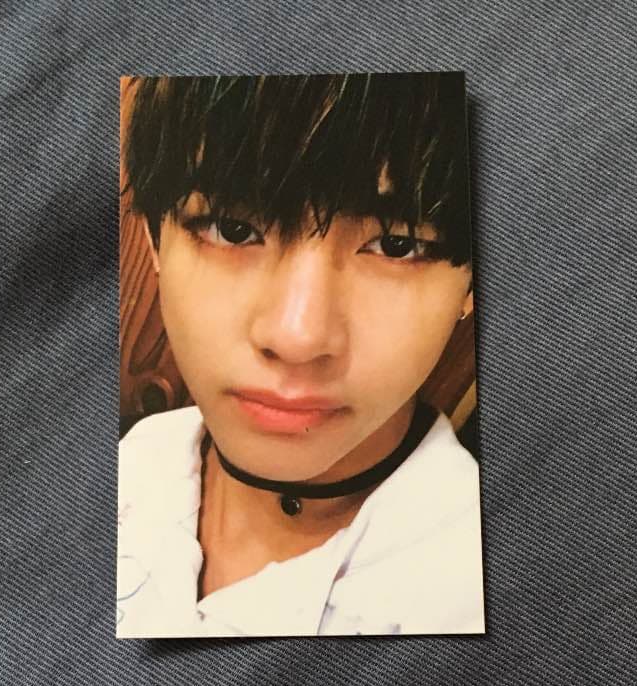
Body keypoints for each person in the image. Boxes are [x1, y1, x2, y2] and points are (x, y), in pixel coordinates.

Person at [117, 72, 484, 637]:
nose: (298, 337)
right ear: (154, 242)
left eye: (397, 244)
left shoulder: (472, 587)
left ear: (470, 286)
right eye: (233, 229)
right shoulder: (136, 460)